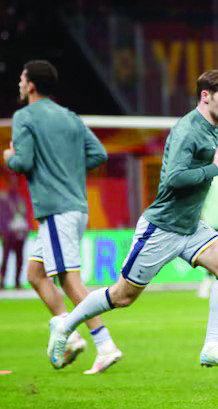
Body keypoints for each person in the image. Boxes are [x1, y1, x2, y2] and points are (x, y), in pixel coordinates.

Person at [48, 69, 218, 371]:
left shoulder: (212, 127)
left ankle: (211, 347)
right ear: (205, 96)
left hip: (190, 226)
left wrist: (211, 168)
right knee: (122, 296)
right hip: (163, 227)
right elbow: (173, 179)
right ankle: (65, 326)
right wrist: (214, 169)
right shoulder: (187, 130)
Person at [2, 60, 122, 374]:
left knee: (69, 280)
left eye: (21, 77)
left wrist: (9, 157)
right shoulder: (70, 117)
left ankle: (105, 343)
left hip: (56, 210)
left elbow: (24, 161)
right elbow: (99, 154)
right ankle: (68, 334)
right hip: (76, 207)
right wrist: (66, 165)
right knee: (35, 275)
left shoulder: (24, 116)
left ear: (30, 85)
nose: (19, 83)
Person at [0, 174, 29, 289]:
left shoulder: (20, 199)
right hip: (8, 234)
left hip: (20, 234)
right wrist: (2, 231)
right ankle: (2, 281)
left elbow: (25, 215)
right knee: (5, 259)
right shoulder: (4, 199)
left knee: (19, 259)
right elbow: (2, 217)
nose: (14, 185)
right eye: (12, 183)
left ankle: (17, 281)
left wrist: (26, 230)